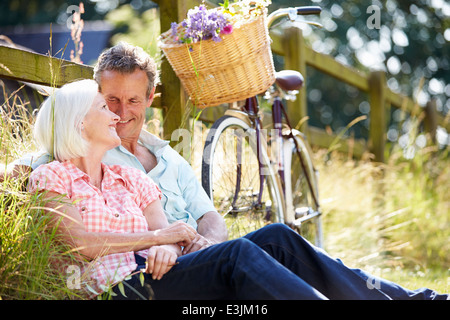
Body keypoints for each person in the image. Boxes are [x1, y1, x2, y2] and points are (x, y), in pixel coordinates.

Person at [5, 43, 448, 300]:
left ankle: (415, 300)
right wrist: (164, 241)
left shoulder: (144, 170)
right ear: (81, 119)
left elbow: (181, 226)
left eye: (130, 102)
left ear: (150, 99)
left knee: (276, 236)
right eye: (108, 103)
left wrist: (180, 245)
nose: (119, 115)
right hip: (124, 288)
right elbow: (80, 235)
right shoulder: (55, 169)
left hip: (169, 265)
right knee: (238, 255)